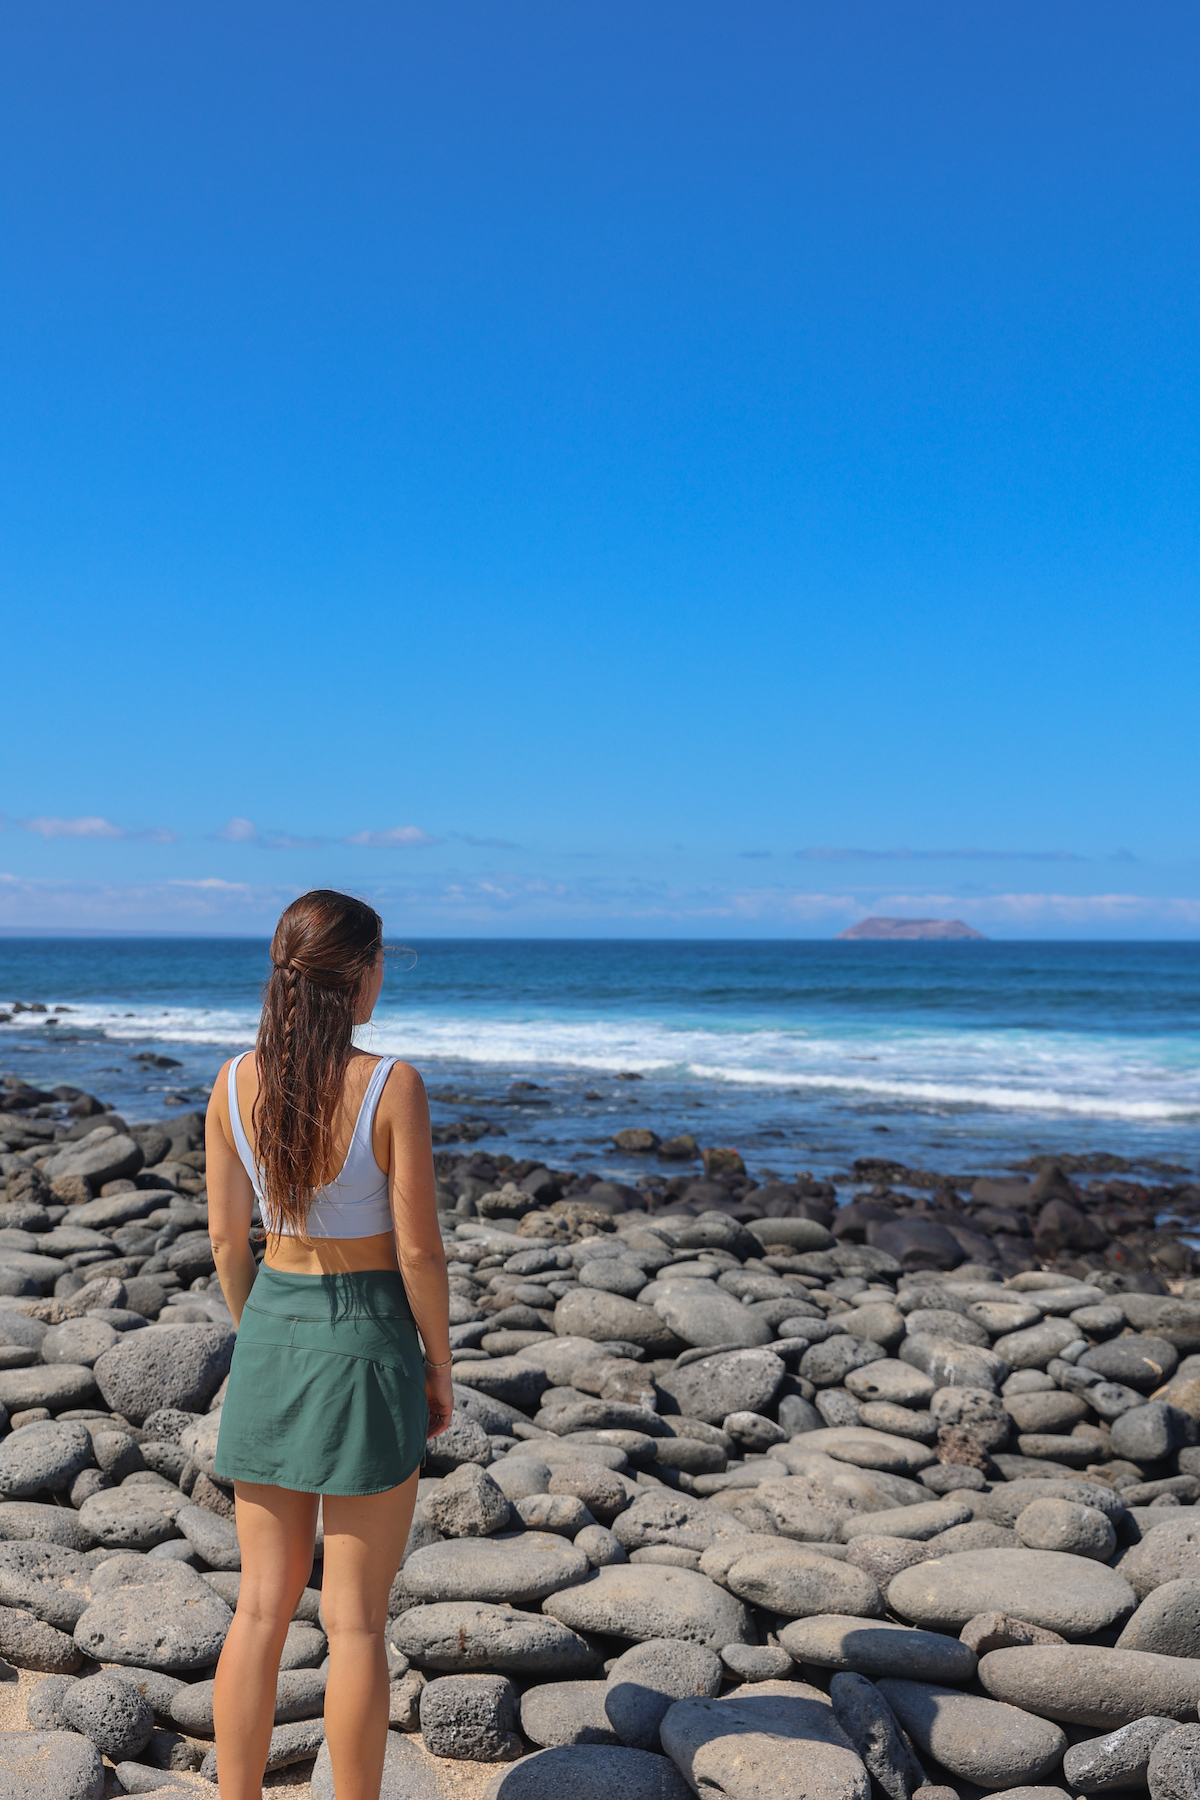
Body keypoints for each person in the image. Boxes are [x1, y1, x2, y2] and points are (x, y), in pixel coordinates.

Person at [205, 889, 452, 1800]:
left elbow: (230, 1241)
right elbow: (419, 1249)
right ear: (364, 972)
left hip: (272, 1325)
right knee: (353, 1625)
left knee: (261, 1609)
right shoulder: (393, 1084)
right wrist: (440, 1365)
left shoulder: (233, 1082)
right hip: (368, 1335)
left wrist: (257, 1326)